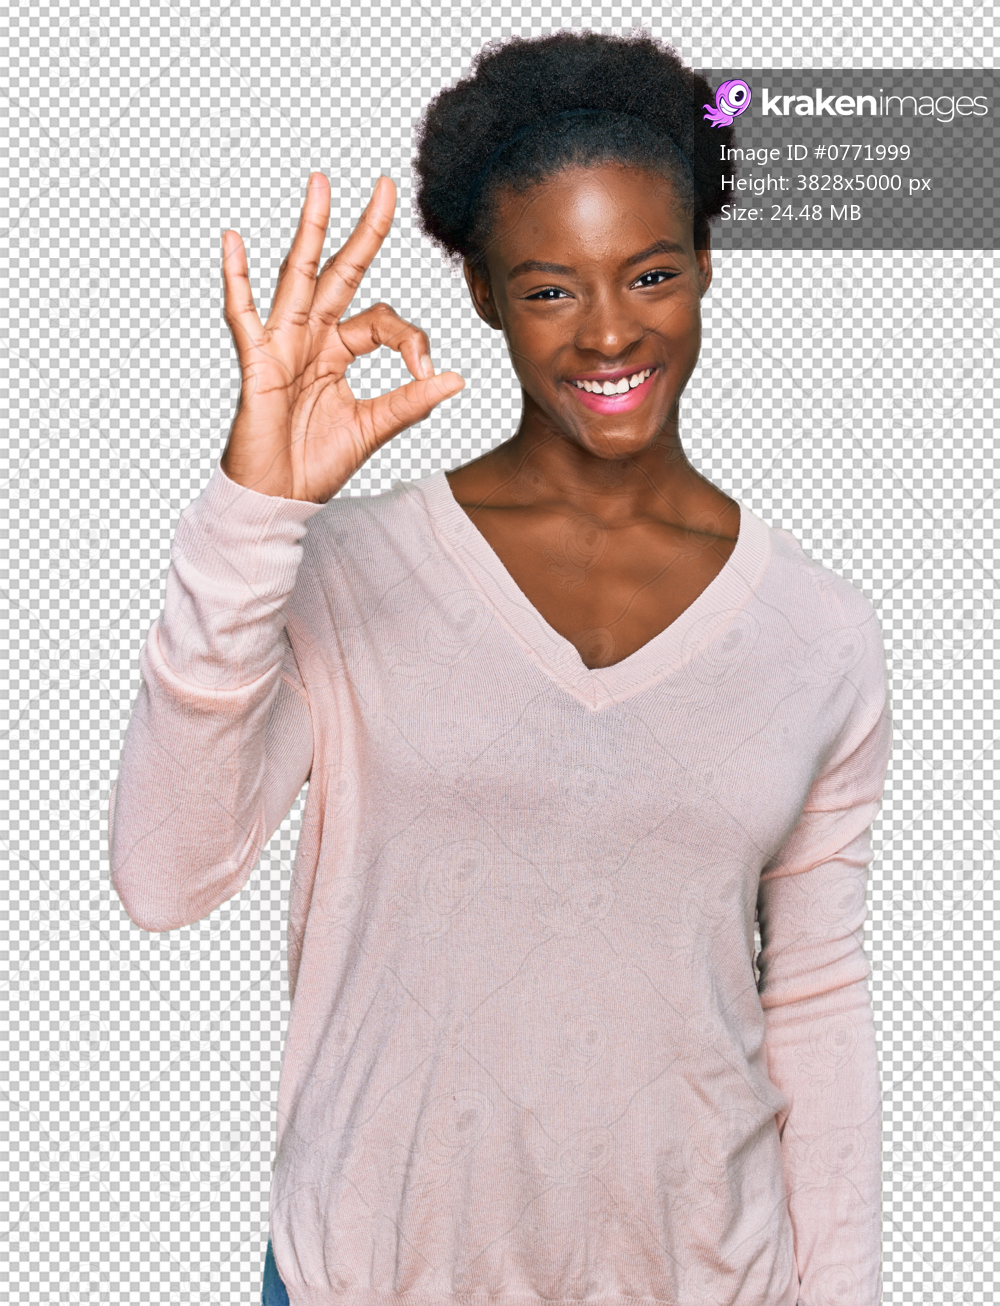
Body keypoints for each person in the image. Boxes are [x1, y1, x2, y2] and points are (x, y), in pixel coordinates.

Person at [108, 30, 893, 1306]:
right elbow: (162, 873)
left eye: (648, 273)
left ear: (703, 261)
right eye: (547, 288)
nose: (605, 333)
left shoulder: (820, 633)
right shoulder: (348, 570)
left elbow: (811, 994)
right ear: (479, 289)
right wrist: (253, 509)